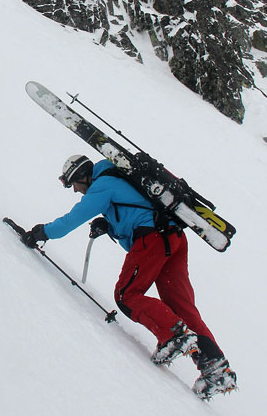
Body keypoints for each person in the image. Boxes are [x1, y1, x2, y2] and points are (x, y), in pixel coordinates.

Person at [25, 154, 236, 399]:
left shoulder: (101, 185)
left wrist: (42, 232)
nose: (75, 190)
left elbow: (72, 219)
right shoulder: (117, 179)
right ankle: (217, 369)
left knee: (127, 295)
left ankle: (174, 335)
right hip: (174, 237)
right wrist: (110, 226)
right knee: (181, 306)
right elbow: (135, 209)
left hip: (154, 239)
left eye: (74, 183)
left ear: (83, 175)